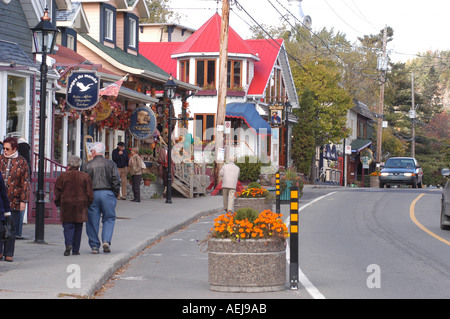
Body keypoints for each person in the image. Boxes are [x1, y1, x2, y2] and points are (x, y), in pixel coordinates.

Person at [82, 142, 120, 254]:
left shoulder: (87, 165)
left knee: (92, 221)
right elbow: (115, 180)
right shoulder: (111, 164)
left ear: (94, 152)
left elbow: (84, 182)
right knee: (109, 218)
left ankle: (94, 245)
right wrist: (114, 194)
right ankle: (106, 241)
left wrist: (86, 195)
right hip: (107, 193)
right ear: (102, 152)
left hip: (93, 194)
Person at [54, 155, 94, 256]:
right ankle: (76, 249)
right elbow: (90, 193)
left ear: (69, 164)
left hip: (66, 203)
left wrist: (58, 202)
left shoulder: (63, 176)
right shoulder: (85, 176)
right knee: (78, 227)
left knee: (67, 226)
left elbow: (57, 191)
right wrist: (88, 203)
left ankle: (68, 243)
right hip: (80, 204)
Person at [0, 137, 29, 262]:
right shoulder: (0, 160)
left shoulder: (21, 162)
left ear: (15, 149)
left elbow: (25, 182)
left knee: (11, 226)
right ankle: (0, 251)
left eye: (8, 149)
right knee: (1, 226)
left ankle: (9, 252)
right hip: (1, 200)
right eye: (4, 148)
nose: (5, 151)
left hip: (14, 198)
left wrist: (24, 200)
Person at [16, 137, 31, 239]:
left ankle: (14, 230)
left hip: (14, 186)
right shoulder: (27, 159)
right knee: (21, 209)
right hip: (23, 186)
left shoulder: (17, 159)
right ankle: (18, 231)